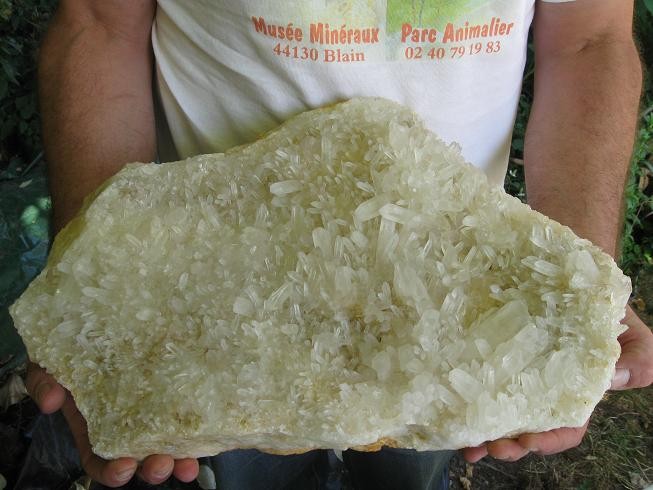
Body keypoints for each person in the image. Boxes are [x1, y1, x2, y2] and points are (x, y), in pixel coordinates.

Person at [24, 0, 653, 488]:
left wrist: (580, 288)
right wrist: (90, 288)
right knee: (246, 463)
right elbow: (100, 23)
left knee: (416, 461)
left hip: (456, 304)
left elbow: (589, 39)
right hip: (211, 307)